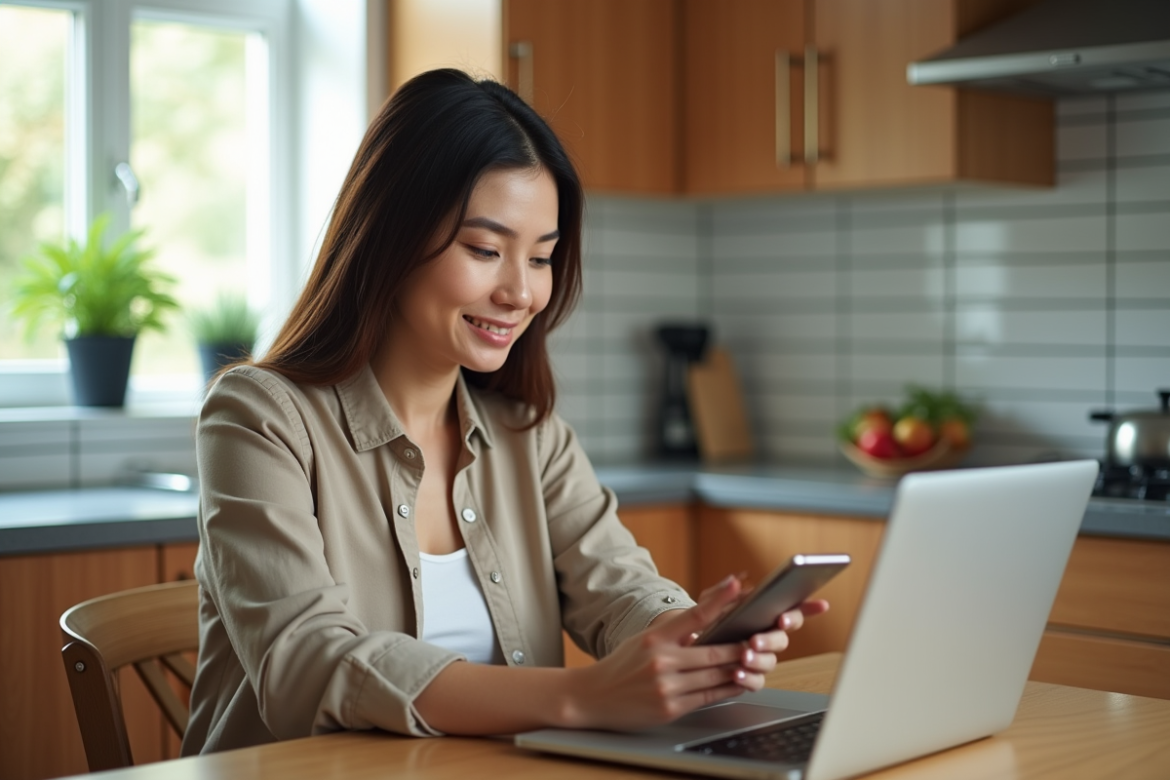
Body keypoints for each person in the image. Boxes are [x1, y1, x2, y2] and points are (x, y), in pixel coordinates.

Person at [182, 68, 827, 755]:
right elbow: (308, 664)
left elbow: (619, 590)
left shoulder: (530, 437)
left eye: (543, 258)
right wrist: (583, 696)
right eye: (486, 250)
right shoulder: (259, 417)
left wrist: (692, 639)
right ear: (390, 236)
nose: (521, 292)